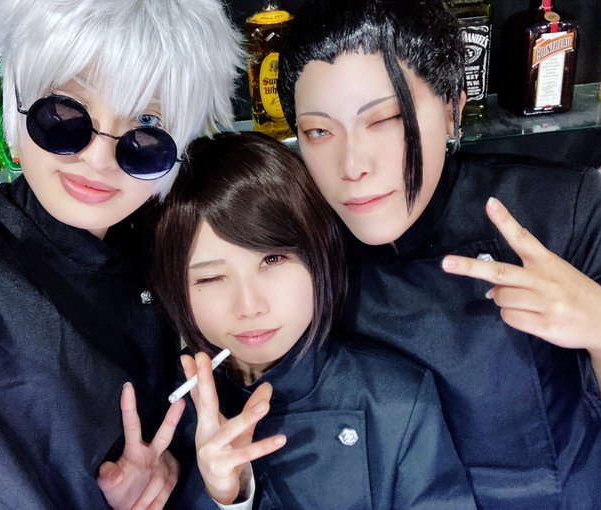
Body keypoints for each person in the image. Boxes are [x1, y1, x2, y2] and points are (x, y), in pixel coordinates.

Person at [276, 0, 601, 508]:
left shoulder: (560, 211)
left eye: (387, 118)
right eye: (319, 131)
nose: (351, 165)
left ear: (453, 110)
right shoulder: (299, 252)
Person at [0, 0, 241, 508]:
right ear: (16, 103)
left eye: (146, 127)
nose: (99, 159)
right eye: (65, 114)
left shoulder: (173, 253)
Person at [138, 131, 475, 509]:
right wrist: (225, 499)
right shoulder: (166, 418)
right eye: (211, 278)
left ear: (319, 254)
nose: (249, 306)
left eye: (272, 260)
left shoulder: (396, 400)